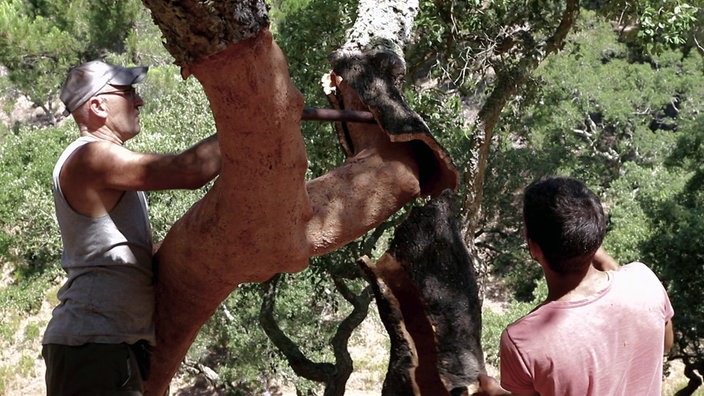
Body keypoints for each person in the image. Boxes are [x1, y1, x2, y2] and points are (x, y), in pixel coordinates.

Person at [42, 60, 221, 395]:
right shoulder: (89, 158)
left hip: (108, 347)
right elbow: (188, 171)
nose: (139, 101)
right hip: (93, 347)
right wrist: (249, 128)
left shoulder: (106, 166)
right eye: (128, 92)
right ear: (97, 105)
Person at [475, 175, 674, 396]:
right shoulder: (644, 281)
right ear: (597, 237)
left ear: (534, 248)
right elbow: (664, 344)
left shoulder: (522, 341)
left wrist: (496, 394)